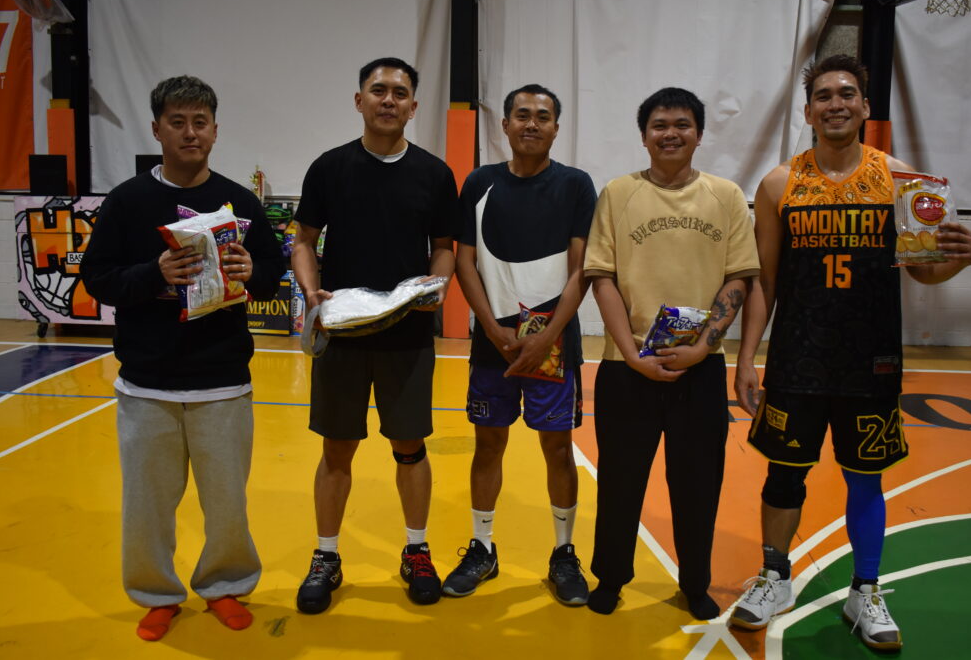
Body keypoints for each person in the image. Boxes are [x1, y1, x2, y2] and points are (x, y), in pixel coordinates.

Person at [730, 55, 971, 651]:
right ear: (808, 110)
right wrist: (746, 356)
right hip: (797, 359)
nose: (835, 103)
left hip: (872, 360)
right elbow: (765, 280)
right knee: (783, 475)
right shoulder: (778, 184)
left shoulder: (903, 180)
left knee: (866, 479)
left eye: (846, 94)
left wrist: (957, 260)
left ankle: (864, 591)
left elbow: (925, 272)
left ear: (866, 106)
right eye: (823, 95)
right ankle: (774, 578)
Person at [80, 76, 285, 641]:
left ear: (215, 130)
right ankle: (156, 594)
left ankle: (225, 585)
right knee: (147, 505)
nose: (190, 133)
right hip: (147, 385)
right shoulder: (127, 201)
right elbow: (97, 278)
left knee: (227, 503)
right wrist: (155, 273)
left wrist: (253, 271)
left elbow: (272, 272)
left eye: (200, 122)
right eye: (178, 122)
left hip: (223, 382)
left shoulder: (239, 202)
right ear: (157, 130)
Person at [583, 87, 759, 618]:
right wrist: (631, 353)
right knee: (620, 483)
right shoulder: (618, 193)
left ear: (699, 134)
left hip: (699, 370)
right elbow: (602, 277)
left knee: (698, 486)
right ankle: (610, 578)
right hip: (627, 369)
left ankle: (696, 583)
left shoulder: (727, 196)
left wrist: (703, 347)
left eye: (682, 124)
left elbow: (738, 278)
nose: (670, 134)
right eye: (659, 125)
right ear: (644, 136)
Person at [291, 57, 458, 612]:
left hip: (406, 334)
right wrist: (311, 292)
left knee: (409, 446)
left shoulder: (435, 174)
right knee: (337, 447)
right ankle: (326, 556)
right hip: (342, 332)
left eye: (400, 93)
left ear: (413, 106)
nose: (389, 100)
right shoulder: (329, 168)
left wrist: (437, 285)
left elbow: (444, 247)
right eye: (378, 90)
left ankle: (417, 551)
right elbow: (303, 240)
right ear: (359, 100)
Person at [442, 84, 597, 605]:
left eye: (543, 116)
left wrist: (546, 337)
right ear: (505, 124)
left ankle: (564, 553)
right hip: (495, 345)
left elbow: (581, 270)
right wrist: (490, 327)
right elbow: (464, 261)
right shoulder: (479, 182)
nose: (532, 123)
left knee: (558, 448)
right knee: (488, 444)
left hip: (554, 347)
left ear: (556, 127)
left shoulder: (575, 185)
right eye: (522, 115)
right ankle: (482, 548)